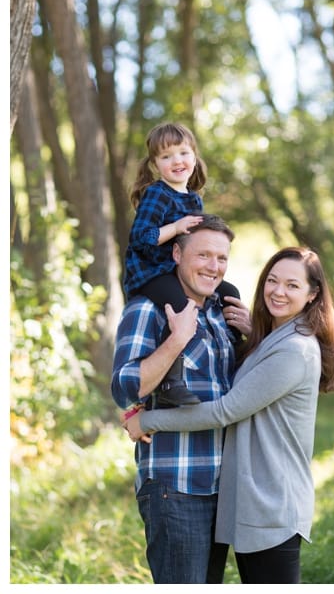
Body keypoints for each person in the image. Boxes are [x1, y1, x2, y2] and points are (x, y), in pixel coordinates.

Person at [125, 247, 334, 584]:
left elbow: (226, 410)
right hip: (256, 499)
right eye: (272, 281)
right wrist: (255, 331)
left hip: (272, 503)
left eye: (292, 285)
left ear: (313, 294)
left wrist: (147, 421)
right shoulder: (277, 338)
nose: (278, 291)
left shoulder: (295, 350)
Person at [110, 215, 252, 583]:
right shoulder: (148, 309)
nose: (214, 266)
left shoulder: (221, 314)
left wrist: (254, 337)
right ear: (176, 253)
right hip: (175, 485)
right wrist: (176, 340)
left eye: (221, 258)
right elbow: (124, 387)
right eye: (203, 255)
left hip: (221, 484)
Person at [123, 122, 241, 407]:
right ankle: (169, 381)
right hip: (151, 271)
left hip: (176, 269)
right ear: (155, 165)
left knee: (230, 292)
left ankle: (238, 357)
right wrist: (175, 227)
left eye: (183, 152)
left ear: (194, 157)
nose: (177, 161)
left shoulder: (194, 198)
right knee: (181, 306)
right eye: (166, 156)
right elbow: (141, 239)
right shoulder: (157, 194)